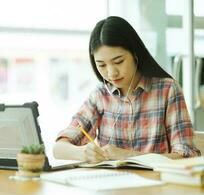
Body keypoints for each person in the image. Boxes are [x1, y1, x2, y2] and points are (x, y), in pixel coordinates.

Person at [53, 16, 201, 163]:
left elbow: (186, 155)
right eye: (102, 65)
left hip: (156, 184)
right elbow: (58, 149)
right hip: (112, 183)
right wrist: (83, 153)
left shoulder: (168, 90)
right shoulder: (100, 95)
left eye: (118, 61)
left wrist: (127, 155)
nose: (111, 73)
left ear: (135, 54)